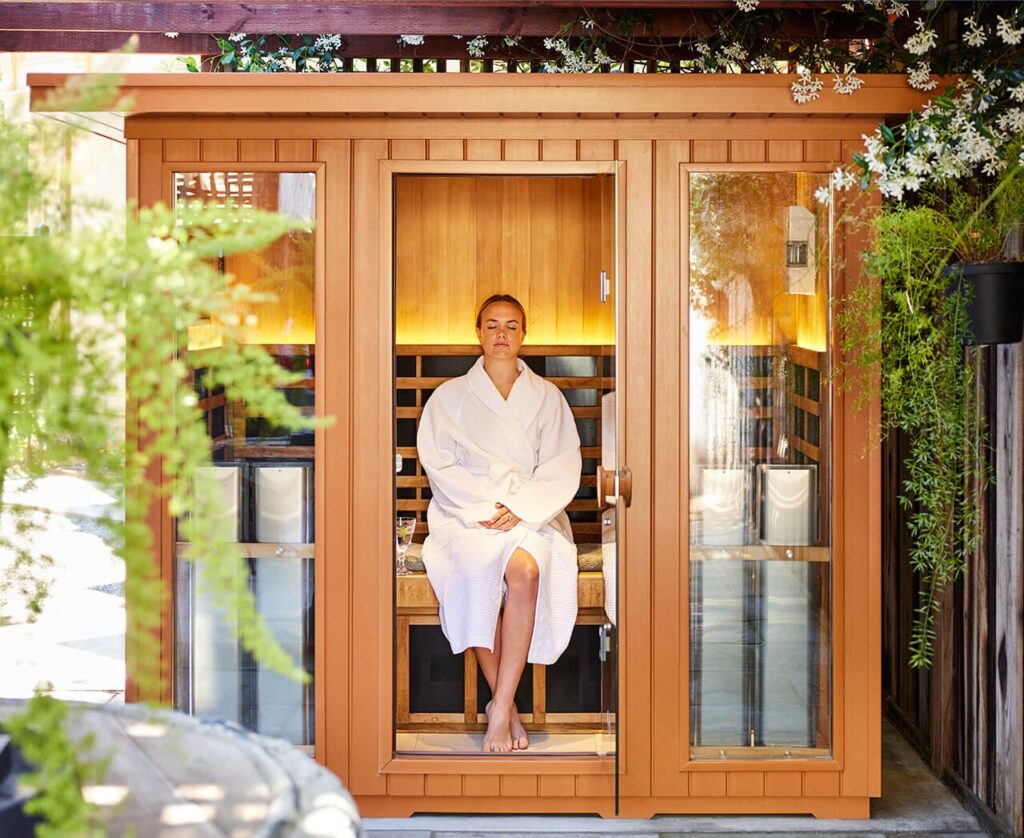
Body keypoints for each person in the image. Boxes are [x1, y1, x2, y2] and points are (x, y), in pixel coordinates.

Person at [416, 294, 582, 753]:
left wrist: (522, 506)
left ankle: (500, 705)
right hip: (469, 513)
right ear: (478, 333)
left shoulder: (547, 397)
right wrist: (487, 507)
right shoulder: (449, 397)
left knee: (525, 571)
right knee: (476, 571)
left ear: (524, 334)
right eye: (492, 325)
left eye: (511, 325)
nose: (502, 334)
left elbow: (562, 466)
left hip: (533, 511)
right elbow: (440, 464)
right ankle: (505, 709)